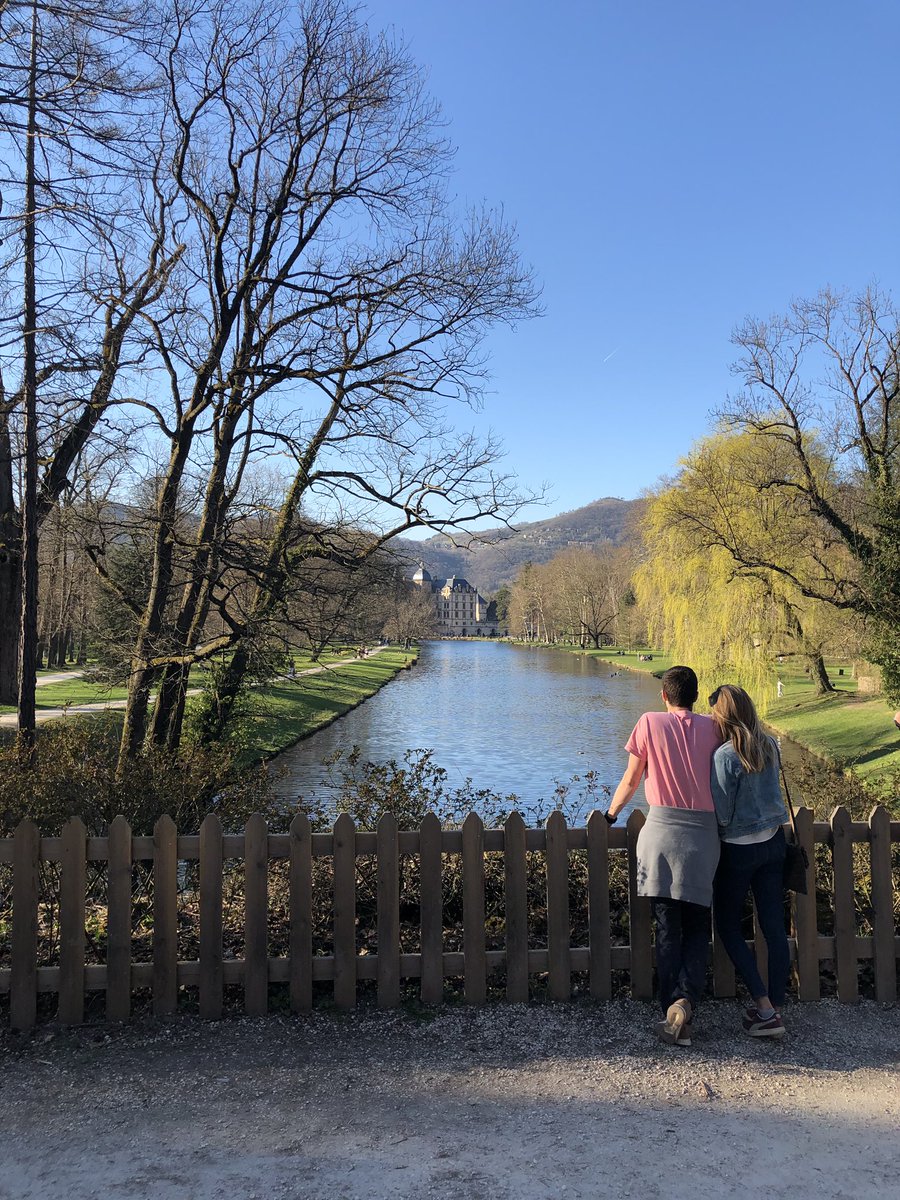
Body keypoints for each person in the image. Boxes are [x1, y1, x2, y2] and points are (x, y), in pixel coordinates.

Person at [606, 665, 722, 1047]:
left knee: (668, 926)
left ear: (664, 696)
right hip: (704, 836)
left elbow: (631, 779)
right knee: (698, 925)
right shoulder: (713, 727)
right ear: (695, 694)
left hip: (661, 834)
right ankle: (686, 1002)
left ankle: (670, 1006)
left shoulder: (649, 722)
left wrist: (611, 814)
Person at [708, 684, 789, 1039]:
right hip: (773, 843)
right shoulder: (770, 744)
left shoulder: (724, 755)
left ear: (722, 715)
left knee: (727, 925)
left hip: (739, 850)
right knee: (774, 928)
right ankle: (776, 1007)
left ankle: (764, 1007)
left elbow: (723, 814)